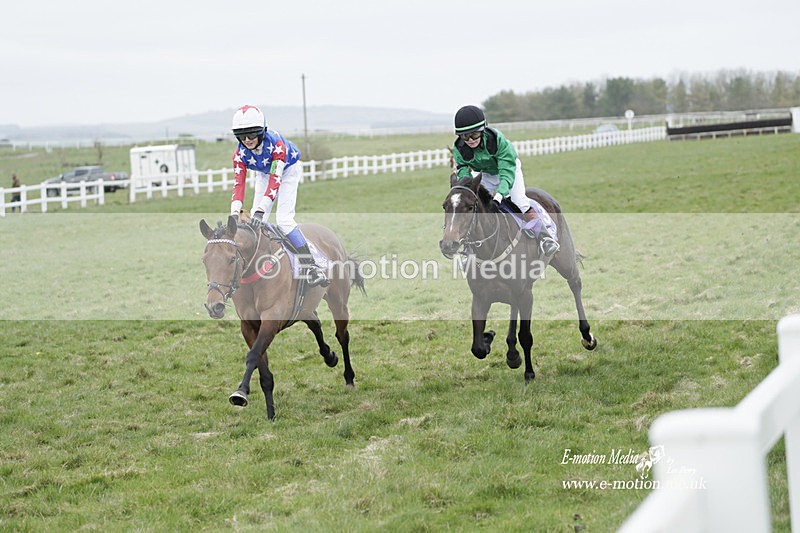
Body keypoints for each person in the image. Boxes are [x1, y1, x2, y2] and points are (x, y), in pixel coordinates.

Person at [229, 104, 328, 287]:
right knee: (257, 224)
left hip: (287, 170)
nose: (247, 140)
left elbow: (276, 182)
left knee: (284, 220)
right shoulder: (239, 154)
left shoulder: (277, 146)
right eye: (242, 136)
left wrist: (259, 210)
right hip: (264, 173)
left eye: (252, 134)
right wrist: (234, 213)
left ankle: (311, 266)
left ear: (262, 131)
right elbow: (239, 184)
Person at [451, 105, 559, 257]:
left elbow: (506, 172)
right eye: (465, 136)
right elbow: (463, 172)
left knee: (519, 200)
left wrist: (499, 195)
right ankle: (470, 247)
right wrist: (465, 190)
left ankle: (545, 238)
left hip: (509, 170)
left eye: (474, 134)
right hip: (486, 175)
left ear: (482, 129)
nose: (470, 140)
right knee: (476, 206)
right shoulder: (459, 149)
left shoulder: (498, 141)